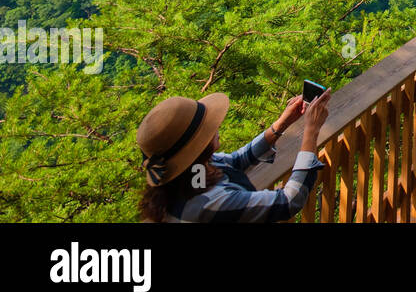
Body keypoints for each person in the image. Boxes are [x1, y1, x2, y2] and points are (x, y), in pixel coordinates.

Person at [137, 88, 331, 222]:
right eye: (208, 128)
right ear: (197, 147)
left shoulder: (192, 174)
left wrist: (281, 124)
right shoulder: (209, 203)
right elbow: (288, 201)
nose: (216, 126)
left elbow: (238, 160)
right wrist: (311, 131)